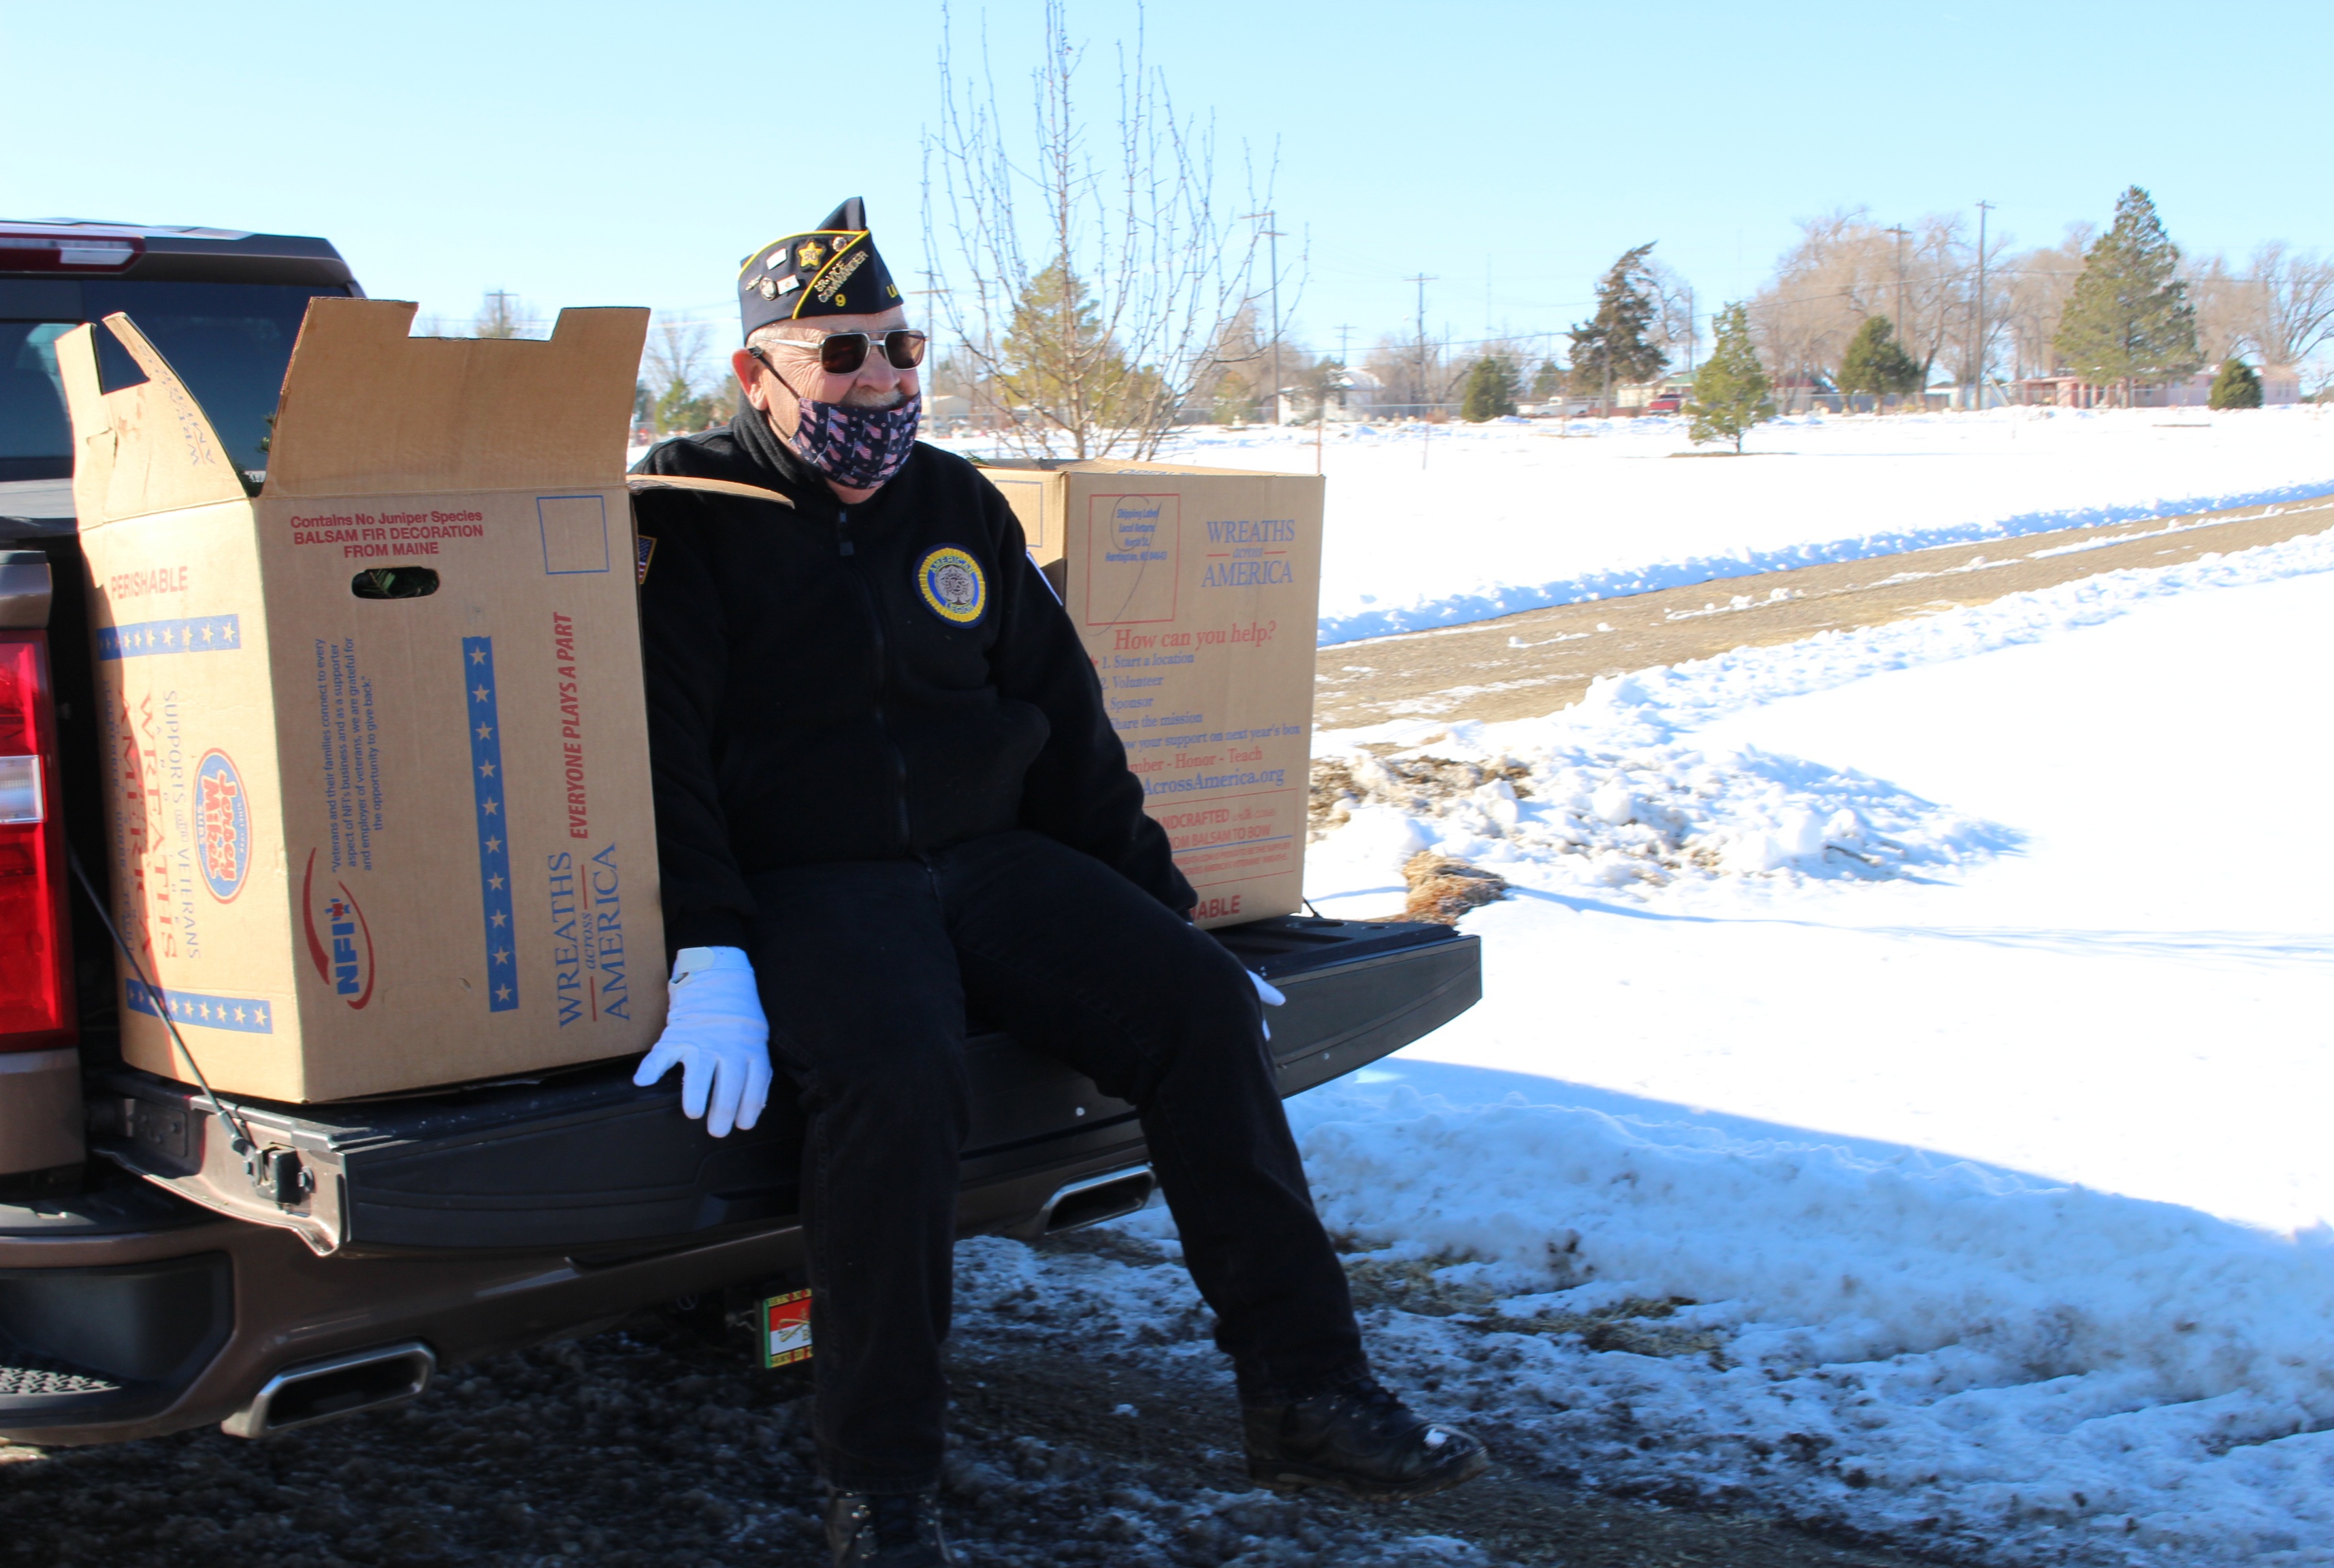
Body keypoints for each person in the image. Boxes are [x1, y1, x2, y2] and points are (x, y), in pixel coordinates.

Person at [628, 198, 1487, 1567]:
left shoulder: (954, 503)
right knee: (898, 1083)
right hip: (821, 883)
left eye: (900, 349)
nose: (880, 381)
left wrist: (1164, 920)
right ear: (756, 373)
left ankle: (1307, 1391)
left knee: (1201, 1014)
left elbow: (1069, 728)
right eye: (839, 353)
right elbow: (661, 755)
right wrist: (712, 948)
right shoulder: (687, 516)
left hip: (986, 860)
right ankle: (882, 1488)